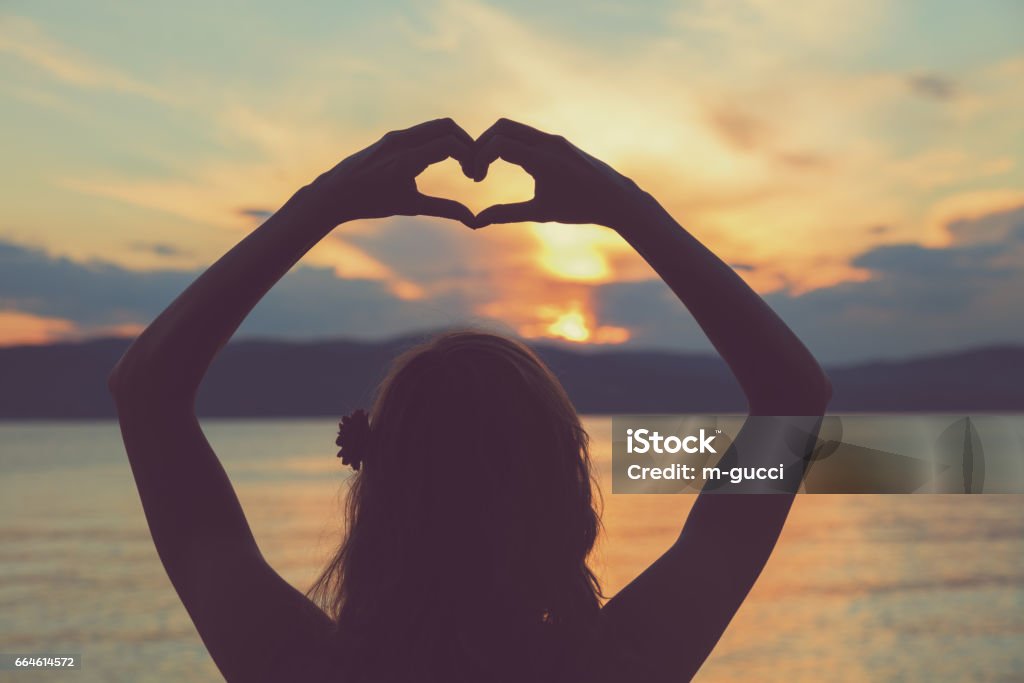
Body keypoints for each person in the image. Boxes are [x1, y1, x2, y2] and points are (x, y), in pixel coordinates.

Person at [108, 118, 832, 682]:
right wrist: (625, 206)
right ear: (569, 497)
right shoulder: (621, 666)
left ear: (380, 494)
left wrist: (322, 203)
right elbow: (791, 398)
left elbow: (147, 394)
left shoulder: (297, 667)